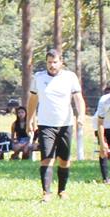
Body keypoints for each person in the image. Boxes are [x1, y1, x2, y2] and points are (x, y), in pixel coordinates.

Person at [27, 49, 86, 202]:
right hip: (46, 124)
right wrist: (29, 120)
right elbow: (33, 100)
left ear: (61, 62)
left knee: (64, 160)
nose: (52, 65)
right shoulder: (39, 78)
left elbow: (78, 99)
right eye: (49, 62)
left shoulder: (70, 77)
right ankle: (46, 193)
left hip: (65, 124)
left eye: (55, 62)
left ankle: (62, 190)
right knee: (46, 158)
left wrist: (81, 115)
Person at [95, 84, 110, 184]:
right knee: (103, 151)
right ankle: (105, 179)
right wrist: (103, 142)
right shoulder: (104, 101)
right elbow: (100, 123)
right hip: (102, 126)